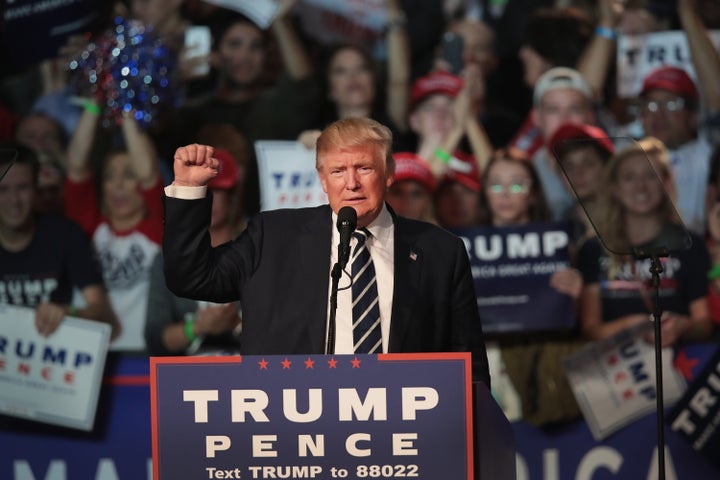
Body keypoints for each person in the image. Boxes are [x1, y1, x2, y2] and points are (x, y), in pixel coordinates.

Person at [162, 117, 491, 386]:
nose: (351, 183)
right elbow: (192, 277)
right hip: (297, 434)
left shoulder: (440, 251)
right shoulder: (273, 237)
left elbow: (468, 364)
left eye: (363, 168)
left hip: (406, 434)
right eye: (337, 171)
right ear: (321, 179)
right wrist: (189, 192)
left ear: (389, 171)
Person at [577, 138, 713, 345]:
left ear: (666, 182)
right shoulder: (593, 249)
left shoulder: (689, 244)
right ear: (615, 188)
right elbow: (590, 328)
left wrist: (683, 326)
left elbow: (703, 324)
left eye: (651, 175)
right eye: (629, 177)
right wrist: (629, 327)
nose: (640, 186)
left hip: (676, 368)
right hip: (616, 369)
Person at [0, 143, 119, 339]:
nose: (14, 200)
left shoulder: (64, 234)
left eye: (22, 188)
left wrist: (68, 313)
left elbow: (106, 318)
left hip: (51, 358)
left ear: (36, 189)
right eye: (3, 190)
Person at [145, 148, 242, 356]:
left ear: (232, 198)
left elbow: (285, 329)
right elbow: (154, 339)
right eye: (199, 189)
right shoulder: (165, 259)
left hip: (252, 375)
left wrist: (236, 323)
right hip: (187, 379)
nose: (206, 198)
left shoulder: (256, 249)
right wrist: (197, 327)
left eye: (214, 191)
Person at [549, 122, 615, 247]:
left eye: (588, 163)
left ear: (608, 167)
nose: (577, 173)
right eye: (569, 166)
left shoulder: (633, 220)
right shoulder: (556, 229)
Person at [386, 151, 436, 223]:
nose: (407, 201)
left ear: (427, 201)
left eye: (416, 194)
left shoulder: (442, 234)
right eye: (397, 192)